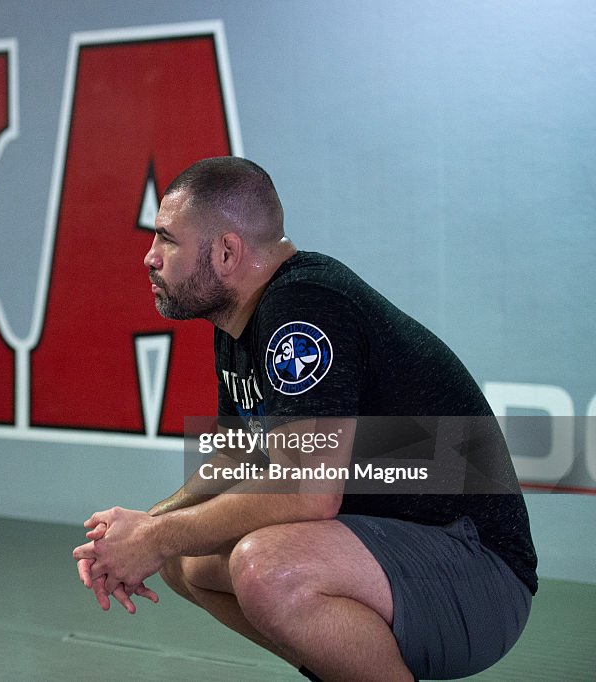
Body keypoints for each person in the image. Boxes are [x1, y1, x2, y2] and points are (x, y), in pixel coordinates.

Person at [72, 157, 537, 681]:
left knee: (264, 564)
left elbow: (309, 492)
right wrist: (147, 528)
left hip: (479, 575)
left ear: (226, 252)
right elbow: (238, 459)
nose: (149, 258)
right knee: (188, 562)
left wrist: (155, 538)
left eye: (167, 240)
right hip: (391, 556)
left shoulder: (304, 305)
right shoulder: (240, 320)